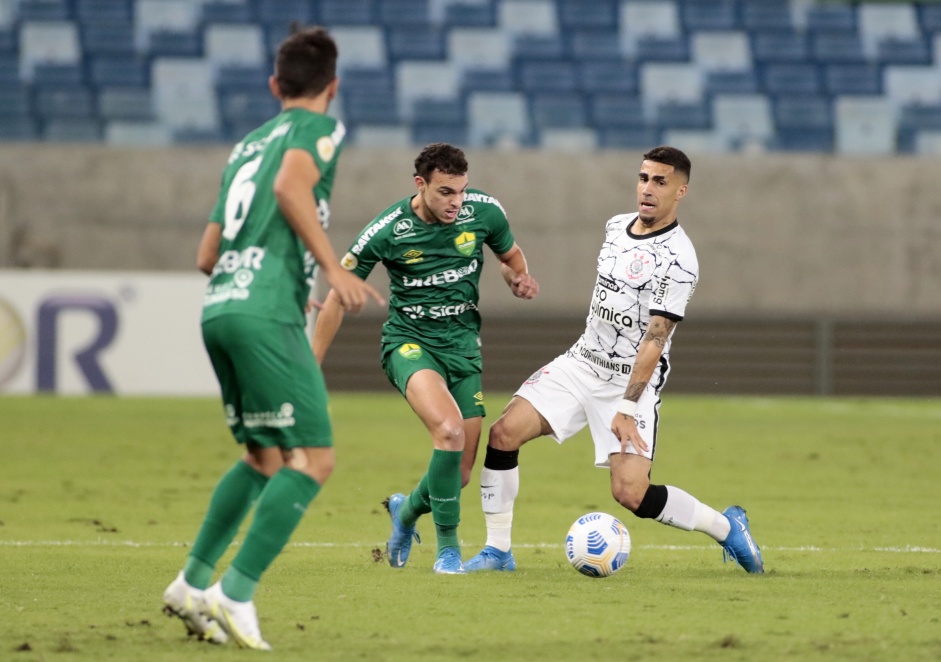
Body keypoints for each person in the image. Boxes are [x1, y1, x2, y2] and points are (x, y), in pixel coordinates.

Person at [161, 26, 383, 650]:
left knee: (262, 457)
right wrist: (331, 267)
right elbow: (290, 186)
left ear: (273, 85)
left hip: (223, 307)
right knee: (313, 460)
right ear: (332, 88)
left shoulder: (245, 144)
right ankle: (235, 593)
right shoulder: (322, 129)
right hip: (262, 316)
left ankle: (192, 582)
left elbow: (209, 253)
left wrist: (283, 276)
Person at [464, 146, 764, 574]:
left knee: (630, 493)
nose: (647, 188)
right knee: (503, 433)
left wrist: (625, 407)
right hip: (582, 361)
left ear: (681, 191)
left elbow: (655, 339)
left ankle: (726, 526)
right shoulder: (616, 226)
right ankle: (497, 551)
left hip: (628, 382)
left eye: (660, 182)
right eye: (643, 178)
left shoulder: (680, 259)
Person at [313, 143, 539, 574]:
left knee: (458, 475)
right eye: (445, 193)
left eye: (461, 191)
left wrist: (517, 280)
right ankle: (448, 550)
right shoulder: (387, 230)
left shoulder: (484, 212)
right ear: (421, 185)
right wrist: (311, 365)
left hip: (463, 347)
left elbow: (511, 258)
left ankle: (406, 513)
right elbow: (338, 297)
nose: (456, 202)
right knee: (449, 431)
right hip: (410, 344)